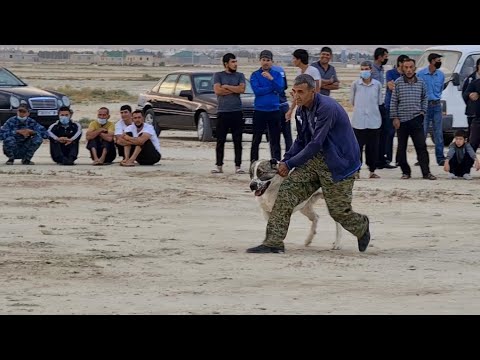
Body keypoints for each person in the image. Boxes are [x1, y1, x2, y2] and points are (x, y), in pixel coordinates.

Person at [246, 74, 371, 254]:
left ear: (313, 91)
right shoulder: (302, 109)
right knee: (286, 191)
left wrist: (289, 164)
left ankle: (362, 226)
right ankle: (273, 243)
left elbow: (315, 143)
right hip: (315, 161)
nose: (297, 96)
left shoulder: (326, 108)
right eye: (294, 92)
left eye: (301, 92)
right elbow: (302, 140)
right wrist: (286, 159)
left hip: (339, 164)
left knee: (338, 211)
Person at [390, 58, 437, 180]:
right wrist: (395, 117)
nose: (409, 70)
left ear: (415, 68)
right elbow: (394, 101)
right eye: (406, 67)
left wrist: (423, 112)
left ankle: (426, 173)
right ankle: (406, 172)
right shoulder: (398, 83)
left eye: (411, 67)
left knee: (421, 147)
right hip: (402, 121)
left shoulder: (421, 82)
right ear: (402, 68)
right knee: (401, 148)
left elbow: (424, 98)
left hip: (416, 119)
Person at [211, 53, 246, 174]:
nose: (235, 64)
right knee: (220, 140)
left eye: (236, 62)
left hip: (236, 112)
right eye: (233, 62)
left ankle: (238, 166)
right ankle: (219, 165)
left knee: (238, 141)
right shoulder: (218, 75)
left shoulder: (240, 75)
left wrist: (226, 87)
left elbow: (241, 89)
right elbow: (218, 91)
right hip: (223, 112)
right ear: (226, 64)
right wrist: (233, 89)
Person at [249, 50, 285, 163]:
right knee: (256, 139)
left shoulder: (277, 75)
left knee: (275, 140)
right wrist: (271, 88)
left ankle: (276, 163)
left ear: (272, 61)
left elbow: (280, 89)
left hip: (274, 111)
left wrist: (271, 79)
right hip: (260, 111)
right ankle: (253, 162)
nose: (265, 62)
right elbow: (257, 91)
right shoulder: (255, 75)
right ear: (260, 61)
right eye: (263, 60)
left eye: (268, 60)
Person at [350, 61, 383, 179]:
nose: (364, 71)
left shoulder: (377, 85)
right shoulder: (355, 84)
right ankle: (356, 171)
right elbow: (352, 101)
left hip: (374, 121)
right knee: (357, 148)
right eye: (362, 69)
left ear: (371, 70)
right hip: (358, 121)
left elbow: (379, 101)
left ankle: (372, 170)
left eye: (366, 69)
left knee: (373, 148)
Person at [417, 53, 446, 166]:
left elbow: (441, 89)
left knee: (438, 133)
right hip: (424, 106)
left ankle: (440, 158)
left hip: (437, 105)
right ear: (432, 61)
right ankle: (421, 159)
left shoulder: (441, 75)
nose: (439, 62)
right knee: (422, 133)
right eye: (438, 60)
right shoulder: (421, 74)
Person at [371, 47, 395, 170]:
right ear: (380, 57)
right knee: (375, 134)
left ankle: (382, 159)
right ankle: (375, 161)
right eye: (385, 56)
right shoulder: (371, 69)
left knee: (384, 133)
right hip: (373, 105)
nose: (386, 58)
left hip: (382, 104)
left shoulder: (381, 70)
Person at [385, 54, 409, 166]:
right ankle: (388, 158)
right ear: (400, 63)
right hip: (391, 106)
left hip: (403, 107)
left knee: (402, 135)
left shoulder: (408, 75)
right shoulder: (390, 73)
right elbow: (391, 87)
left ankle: (400, 159)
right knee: (389, 133)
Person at [271, 63, 293, 153]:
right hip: (284, 105)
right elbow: (285, 86)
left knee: (274, 137)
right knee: (287, 135)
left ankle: (276, 161)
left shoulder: (264, 72)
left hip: (274, 107)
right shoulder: (280, 69)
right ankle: (289, 159)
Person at [461, 58, 480, 139]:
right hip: (473, 112)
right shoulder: (470, 79)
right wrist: (470, 96)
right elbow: (464, 93)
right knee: (472, 136)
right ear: (478, 66)